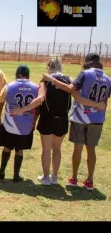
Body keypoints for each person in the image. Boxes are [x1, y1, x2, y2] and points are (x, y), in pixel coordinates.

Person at [10, 56, 105, 185]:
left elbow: (41, 98)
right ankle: (54, 177)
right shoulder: (69, 80)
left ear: (49, 67)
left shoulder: (44, 80)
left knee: (46, 150)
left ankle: (46, 177)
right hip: (62, 119)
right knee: (57, 149)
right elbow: (75, 93)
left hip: (47, 119)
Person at [41, 53, 110, 190]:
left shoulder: (85, 74)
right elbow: (105, 102)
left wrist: (51, 80)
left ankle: (73, 178)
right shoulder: (108, 79)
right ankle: (90, 180)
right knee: (91, 150)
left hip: (81, 117)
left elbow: (72, 91)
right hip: (97, 119)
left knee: (77, 148)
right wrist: (97, 106)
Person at [0, 65, 39, 182]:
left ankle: (2, 171)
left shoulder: (9, 86)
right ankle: (16, 175)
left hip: (10, 124)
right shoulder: (36, 87)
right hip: (26, 126)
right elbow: (38, 107)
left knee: (7, 147)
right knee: (20, 149)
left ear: (17, 74)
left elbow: (0, 104)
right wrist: (34, 121)